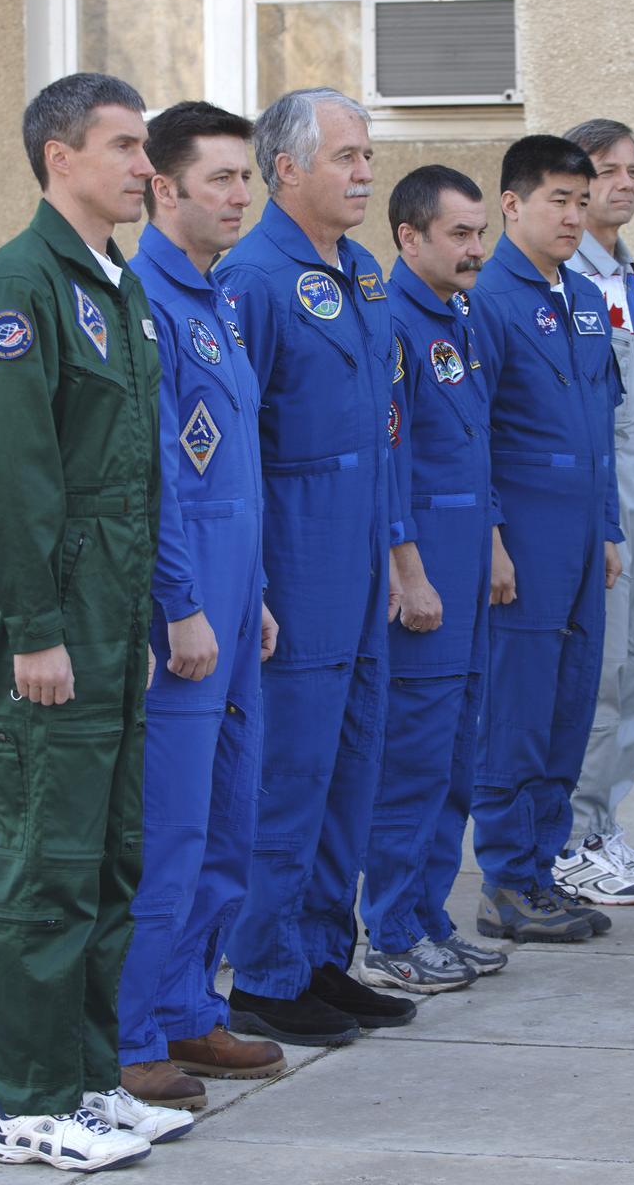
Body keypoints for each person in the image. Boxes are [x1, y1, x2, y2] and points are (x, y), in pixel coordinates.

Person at [0, 73, 194, 1172]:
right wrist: (36, 629)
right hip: (55, 625)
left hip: (111, 615)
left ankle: (90, 1079)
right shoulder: (17, 286)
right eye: (127, 146)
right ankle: (30, 1100)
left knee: (107, 857)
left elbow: (131, 473)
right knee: (44, 865)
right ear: (60, 155)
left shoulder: (114, 285)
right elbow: (7, 478)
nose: (148, 166)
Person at [217, 87, 415, 1045]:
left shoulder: (364, 272)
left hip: (363, 558)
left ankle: (322, 957)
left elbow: (388, 427)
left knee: (352, 773)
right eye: (345, 156)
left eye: (368, 155)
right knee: (290, 777)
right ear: (286, 169)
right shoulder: (254, 278)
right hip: (299, 563)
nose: (364, 172)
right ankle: (262, 971)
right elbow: (234, 449)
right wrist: (252, 584)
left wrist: (401, 554)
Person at [114, 101, 286, 1106]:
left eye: (243, 177)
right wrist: (180, 603)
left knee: (228, 822)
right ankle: (133, 1030)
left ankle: (189, 1008)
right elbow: (158, 480)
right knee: (170, 831)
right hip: (181, 616)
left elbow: (236, 475)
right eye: (217, 178)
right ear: (161, 188)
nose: (238, 195)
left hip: (230, 607)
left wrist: (250, 596)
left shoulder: (215, 299)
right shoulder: (146, 303)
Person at [469, 135, 624, 943]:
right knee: (518, 710)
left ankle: (542, 869)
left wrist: (607, 528)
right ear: (511, 206)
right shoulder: (486, 301)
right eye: (557, 201)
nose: (573, 215)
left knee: (569, 706)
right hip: (522, 540)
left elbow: (602, 424)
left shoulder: (589, 299)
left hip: (579, 536)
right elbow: (474, 432)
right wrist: (490, 539)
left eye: (579, 199)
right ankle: (504, 879)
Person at [359, 165, 507, 991]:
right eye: (459, 233)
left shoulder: (460, 317)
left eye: (480, 232)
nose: (476, 248)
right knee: (412, 762)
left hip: (465, 566)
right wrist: (407, 571)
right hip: (424, 583)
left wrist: (492, 545)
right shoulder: (392, 325)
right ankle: (389, 930)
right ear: (410, 237)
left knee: (455, 760)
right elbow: (393, 459)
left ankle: (428, 917)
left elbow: (471, 445)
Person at [553, 118, 634, 902]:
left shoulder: (626, 274)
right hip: (599, 489)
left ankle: (603, 824)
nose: (624, 184)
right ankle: (568, 839)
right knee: (597, 671)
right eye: (607, 170)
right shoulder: (565, 279)